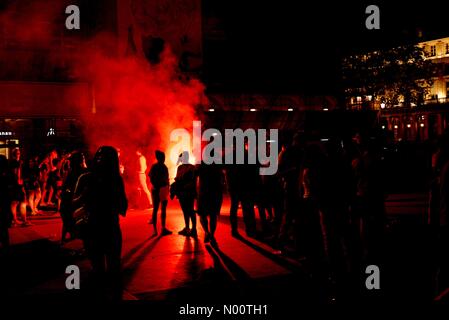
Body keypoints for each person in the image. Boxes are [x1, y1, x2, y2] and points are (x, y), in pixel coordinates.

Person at [73, 146, 128, 299]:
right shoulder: (86, 178)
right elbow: (73, 201)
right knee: (99, 268)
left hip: (109, 226)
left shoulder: (116, 180)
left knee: (112, 268)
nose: (100, 160)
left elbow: (123, 206)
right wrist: (85, 196)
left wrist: (113, 199)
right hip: (94, 227)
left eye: (105, 158)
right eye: (99, 156)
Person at [59, 152, 87, 244]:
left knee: (68, 219)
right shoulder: (81, 171)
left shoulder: (72, 171)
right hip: (75, 200)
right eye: (82, 158)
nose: (84, 159)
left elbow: (66, 185)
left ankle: (64, 238)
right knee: (79, 221)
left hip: (69, 199)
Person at [197, 161, 224, 245]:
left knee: (202, 215)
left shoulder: (201, 165)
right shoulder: (218, 165)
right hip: (215, 194)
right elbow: (222, 179)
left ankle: (207, 232)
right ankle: (211, 234)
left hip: (203, 194)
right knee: (213, 216)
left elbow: (194, 176)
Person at [173, 151, 197, 237]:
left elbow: (193, 180)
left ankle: (194, 229)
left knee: (190, 210)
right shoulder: (180, 167)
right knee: (185, 211)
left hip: (188, 192)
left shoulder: (191, 168)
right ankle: (187, 228)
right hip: (181, 192)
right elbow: (177, 178)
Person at [148, 150, 172, 237]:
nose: (164, 158)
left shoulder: (154, 166)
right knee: (163, 209)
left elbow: (150, 177)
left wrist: (155, 185)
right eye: (163, 157)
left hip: (156, 189)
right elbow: (166, 179)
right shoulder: (164, 167)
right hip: (162, 189)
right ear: (161, 158)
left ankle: (155, 231)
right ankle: (162, 228)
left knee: (155, 209)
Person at [9, 148, 30, 226]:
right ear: (15, 154)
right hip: (17, 184)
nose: (19, 154)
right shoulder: (15, 162)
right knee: (17, 202)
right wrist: (20, 185)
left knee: (17, 202)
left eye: (19, 153)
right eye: (17, 153)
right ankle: (18, 220)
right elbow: (16, 174)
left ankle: (18, 220)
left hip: (16, 184)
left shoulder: (16, 162)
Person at [0, 155, 12, 249]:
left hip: (4, 205)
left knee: (3, 230)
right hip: (4, 205)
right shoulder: (7, 176)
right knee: (3, 230)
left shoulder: (7, 176)